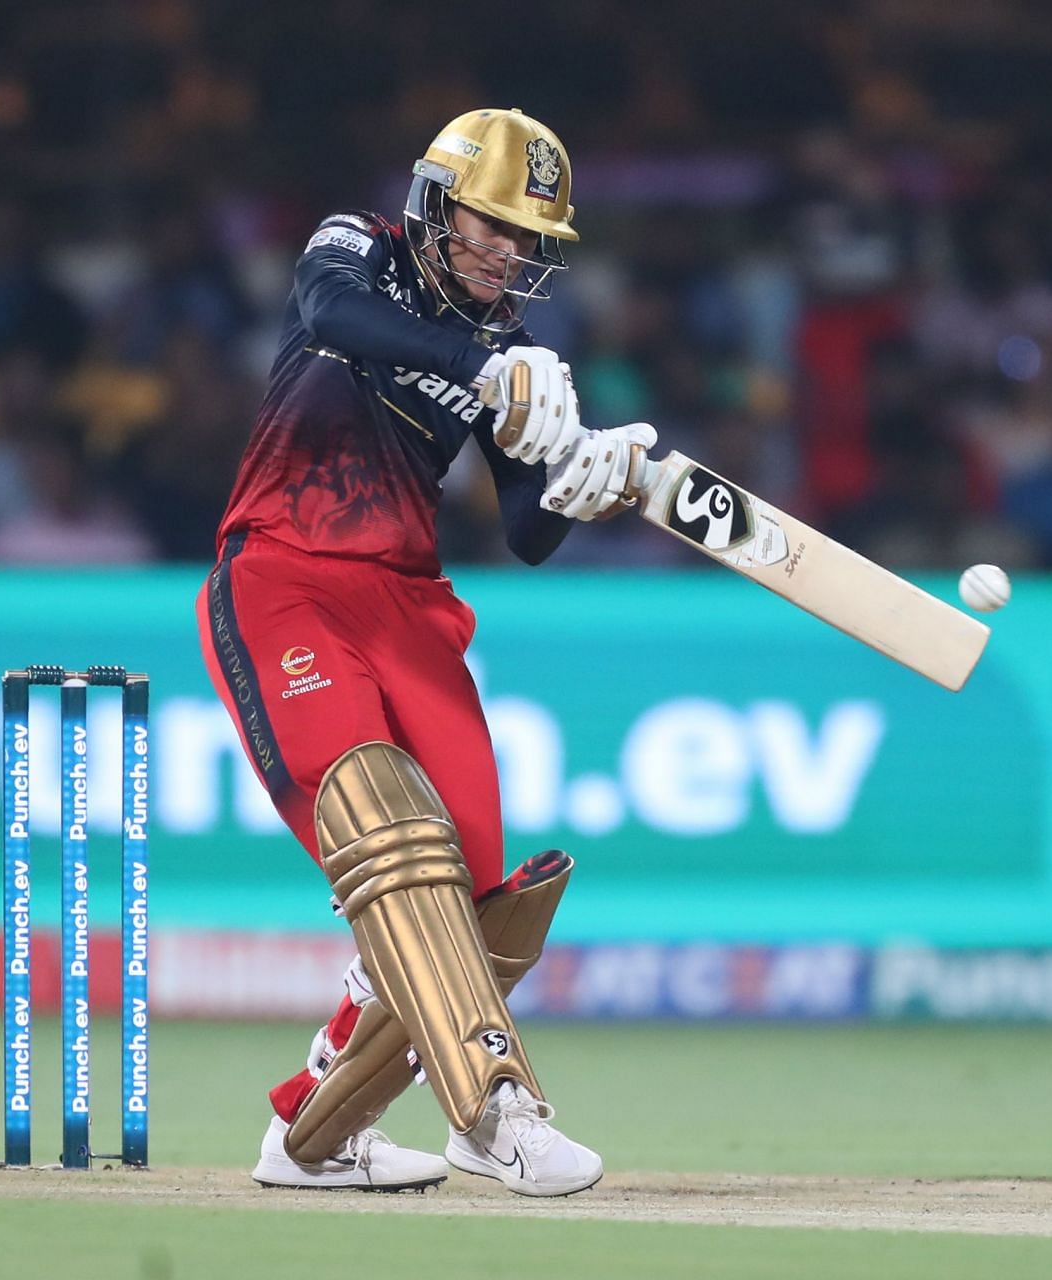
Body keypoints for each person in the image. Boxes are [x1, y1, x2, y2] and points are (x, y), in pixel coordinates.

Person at [197, 108, 652, 1195]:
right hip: (283, 576)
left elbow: (532, 530)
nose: (506, 252)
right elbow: (332, 315)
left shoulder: (522, 351)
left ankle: (312, 1129)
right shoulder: (355, 248)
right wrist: (489, 366)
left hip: (410, 606)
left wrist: (587, 479)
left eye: (527, 237)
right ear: (436, 207)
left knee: (486, 892)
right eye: (488, 224)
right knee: (390, 834)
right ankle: (496, 1109)